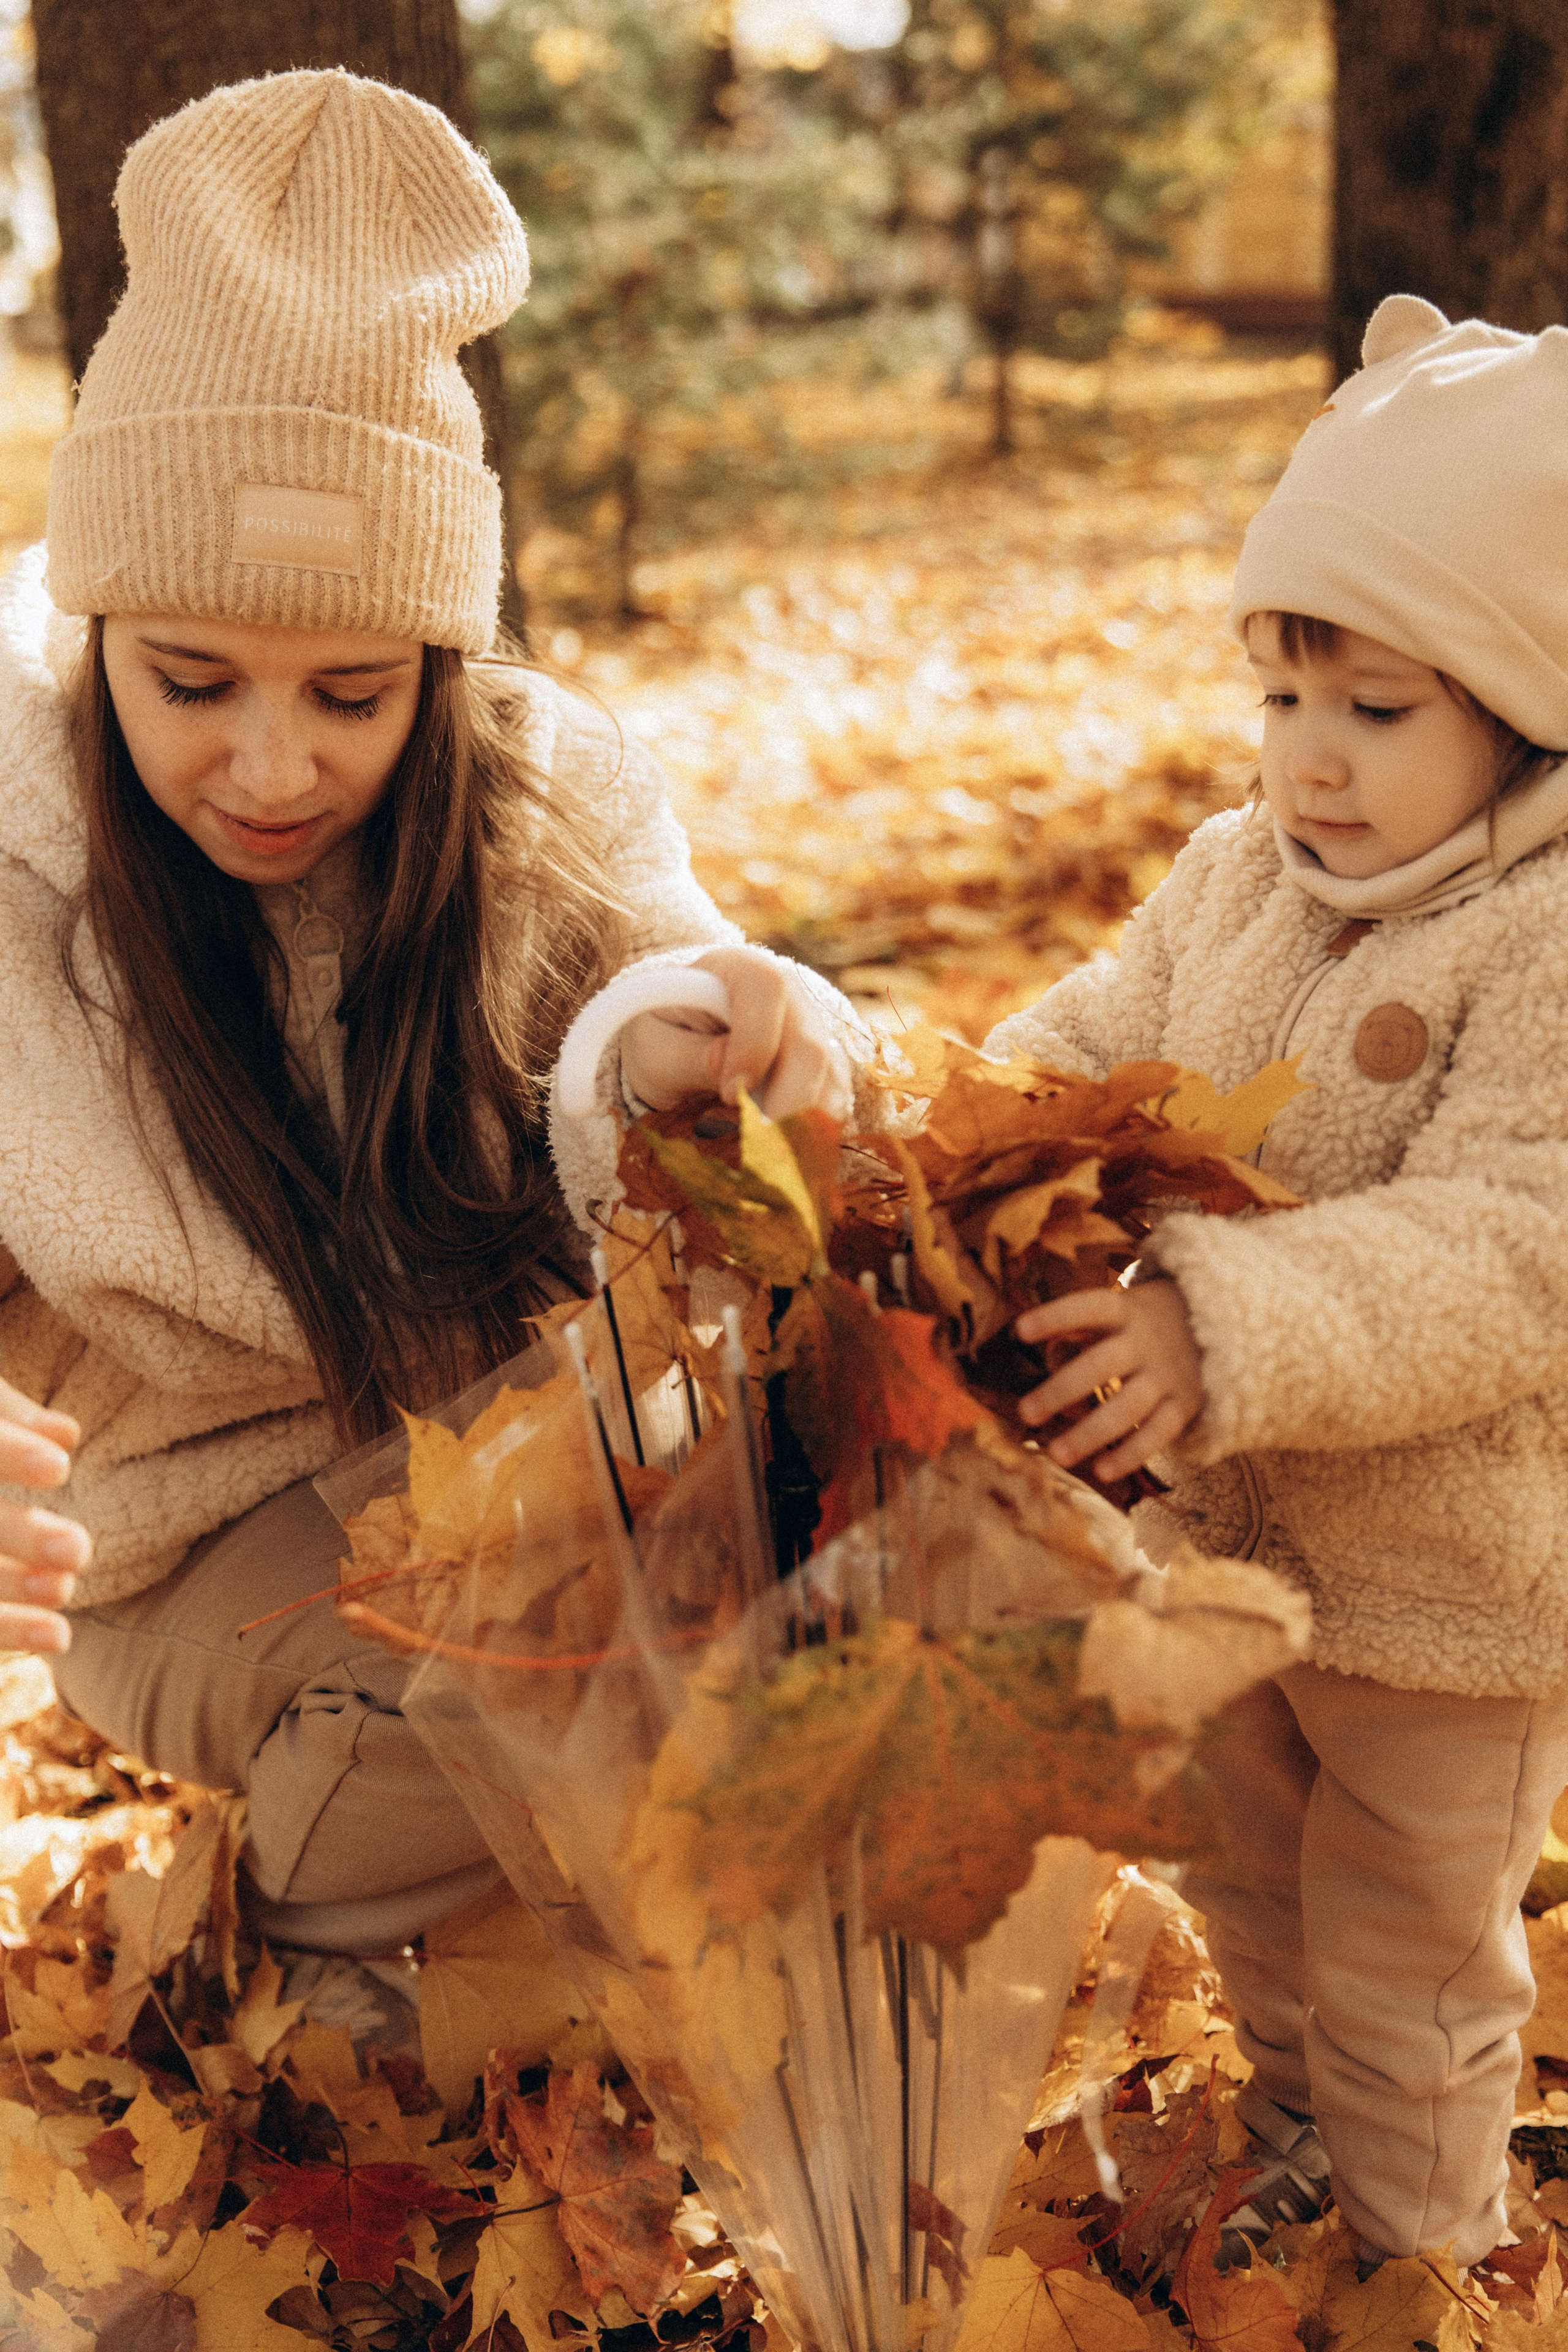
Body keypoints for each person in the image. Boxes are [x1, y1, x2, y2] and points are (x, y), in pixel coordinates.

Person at [0, 69, 867, 2007]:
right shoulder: (14, 860)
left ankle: (465, 1918)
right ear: (100, 630)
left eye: (356, 689)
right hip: (181, 1528)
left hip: (509, 1464)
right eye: (194, 682)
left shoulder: (540, 789)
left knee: (747, 1645)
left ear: (441, 665)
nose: (276, 763)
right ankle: (330, 1940)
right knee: (496, 1694)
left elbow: (661, 1001)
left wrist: (721, 1037)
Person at [990, 292, 1568, 2272]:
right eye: (1280, 696)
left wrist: (1218, 1322)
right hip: (1235, 1551)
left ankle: (1426, 2252)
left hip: (1450, 1590)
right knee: (1257, 1872)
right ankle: (1308, 2127)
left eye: (1378, 711)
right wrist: (960, 1132)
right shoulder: (1245, 873)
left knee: (1410, 1929)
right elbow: (1093, 1036)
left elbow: (1512, 1247)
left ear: (1528, 695)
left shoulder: (1547, 935)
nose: (1311, 763)